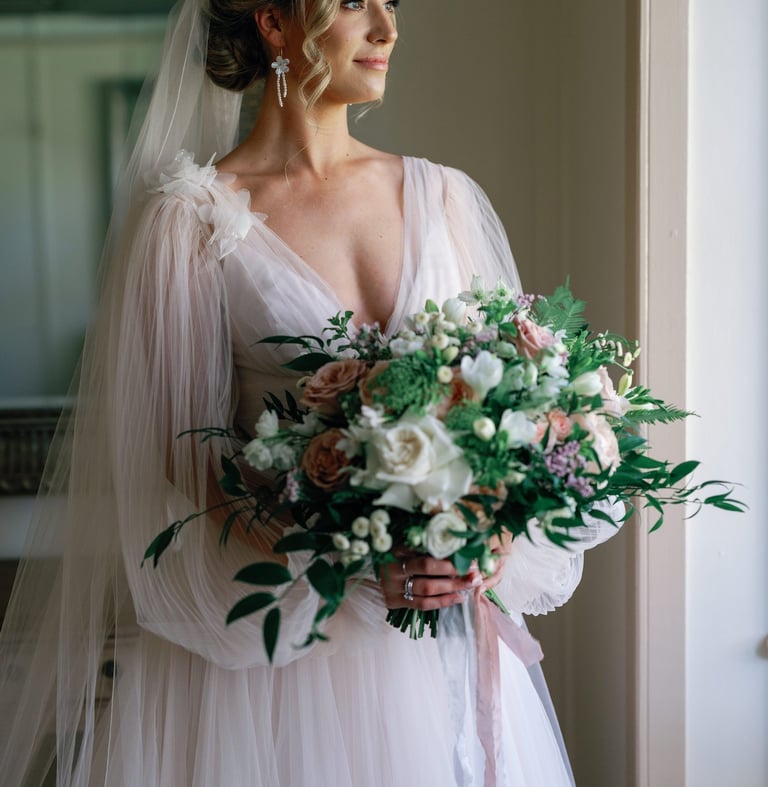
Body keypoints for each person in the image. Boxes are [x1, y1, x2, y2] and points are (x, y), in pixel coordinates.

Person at [0, 1, 622, 784]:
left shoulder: (444, 197)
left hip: (438, 651)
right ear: (274, 21)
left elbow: (506, 409)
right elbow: (183, 456)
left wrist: (485, 534)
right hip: (278, 662)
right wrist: (357, 559)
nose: (389, 29)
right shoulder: (188, 221)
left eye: (391, 6)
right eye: (357, 3)